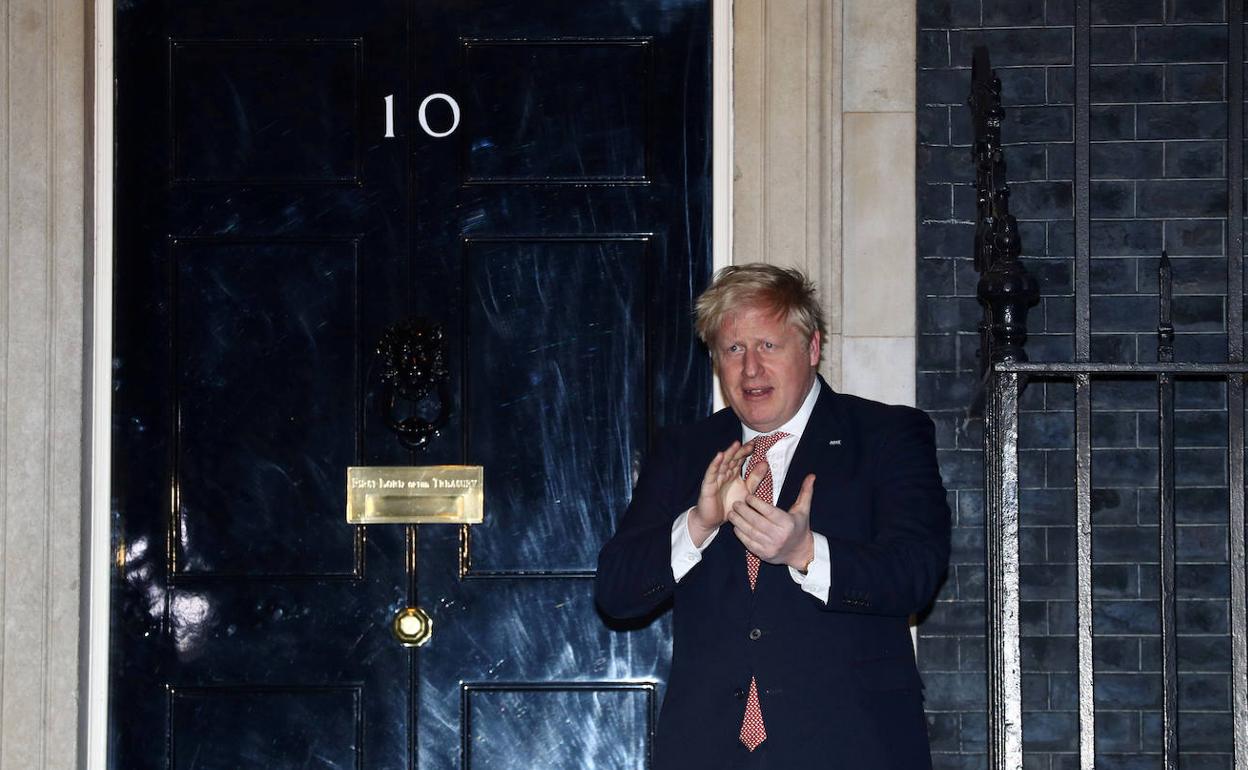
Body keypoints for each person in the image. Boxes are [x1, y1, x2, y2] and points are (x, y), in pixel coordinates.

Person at [595, 263, 951, 769]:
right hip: (707, 750)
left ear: (811, 348)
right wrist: (697, 524)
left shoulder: (887, 435)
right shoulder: (684, 451)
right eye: (733, 349)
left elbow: (917, 573)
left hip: (852, 744)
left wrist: (805, 553)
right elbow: (616, 592)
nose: (751, 370)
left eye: (769, 346)